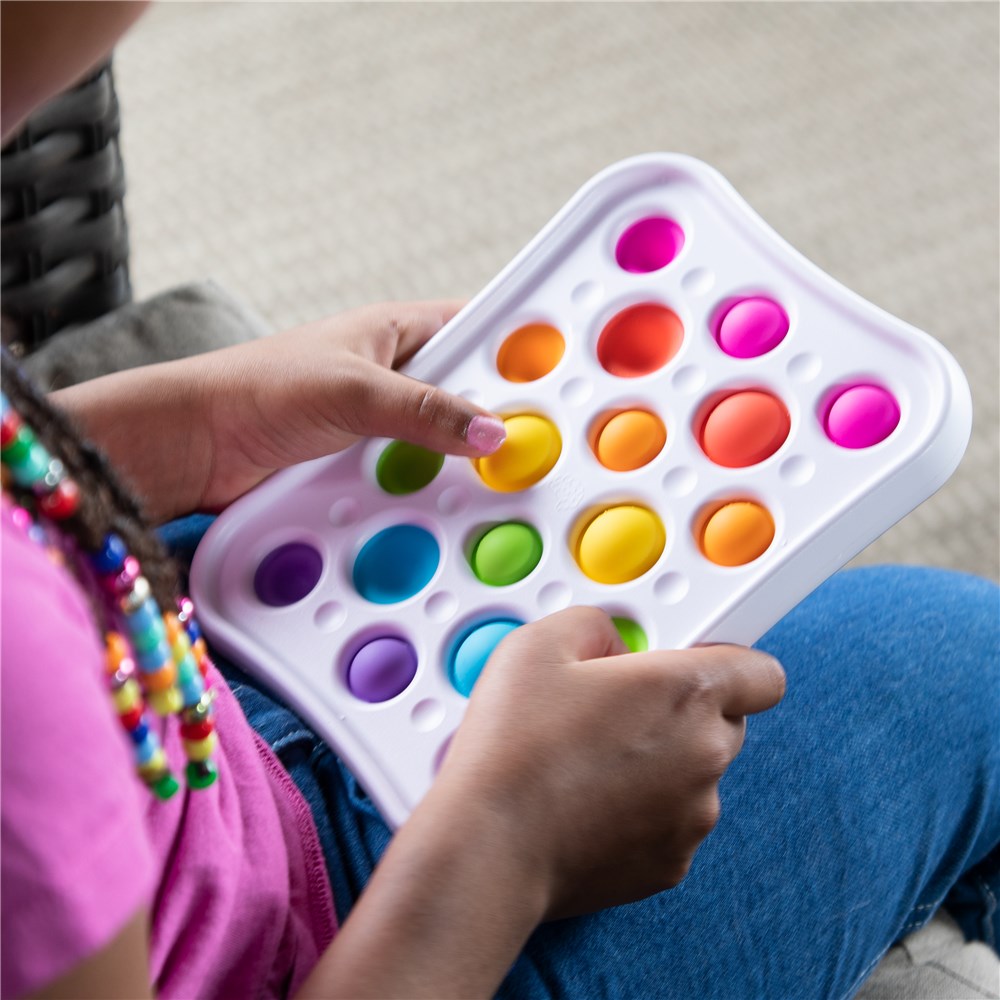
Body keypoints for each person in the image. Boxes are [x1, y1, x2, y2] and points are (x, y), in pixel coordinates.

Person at [2, 4, 998, 999]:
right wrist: (509, 836)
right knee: (968, 661)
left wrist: (197, 427)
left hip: (158, 677)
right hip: (369, 929)